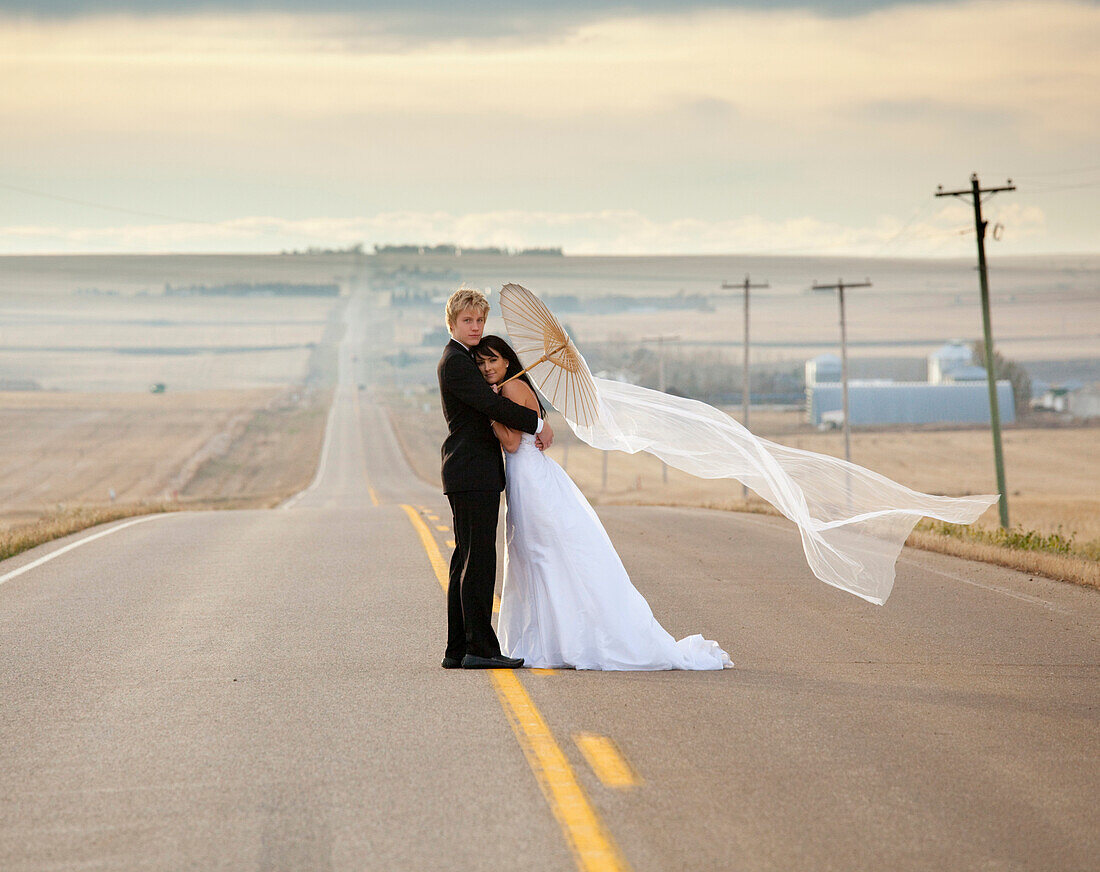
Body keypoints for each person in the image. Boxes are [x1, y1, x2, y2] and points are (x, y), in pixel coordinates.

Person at [473, 334, 732, 671]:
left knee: (540, 555)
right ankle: (551, 638)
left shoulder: (511, 389)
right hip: (527, 477)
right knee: (535, 556)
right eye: (481, 363)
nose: (487, 367)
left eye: (493, 360)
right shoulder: (512, 387)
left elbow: (510, 443)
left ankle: (559, 641)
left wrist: (489, 408)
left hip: (530, 479)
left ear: (507, 360)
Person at [437, 288, 554, 670]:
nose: (475, 327)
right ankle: (480, 649)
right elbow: (490, 405)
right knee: (479, 560)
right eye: (468, 321)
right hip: (472, 470)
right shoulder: (455, 361)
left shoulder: (465, 359)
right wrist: (537, 422)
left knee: (465, 559)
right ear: (453, 323)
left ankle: (457, 649)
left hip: (470, 470)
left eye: (480, 321)